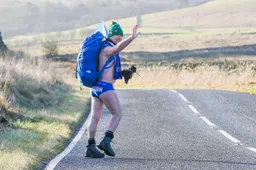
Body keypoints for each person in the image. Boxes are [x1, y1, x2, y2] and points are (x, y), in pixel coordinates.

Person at [85, 21, 139, 158]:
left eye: (121, 37)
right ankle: (106, 141)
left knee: (95, 117)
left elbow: (106, 70)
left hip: (96, 87)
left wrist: (123, 73)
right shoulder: (107, 48)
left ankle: (90, 147)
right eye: (118, 36)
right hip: (105, 87)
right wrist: (131, 38)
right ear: (112, 35)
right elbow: (116, 49)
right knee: (117, 114)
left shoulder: (101, 49)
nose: (120, 39)